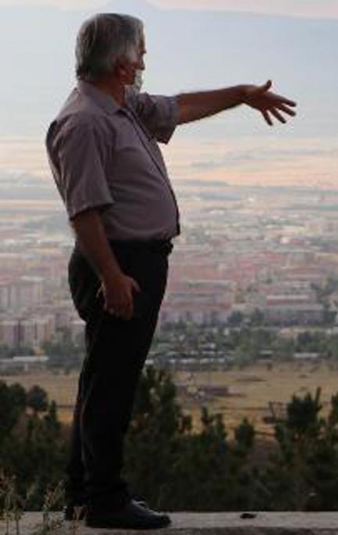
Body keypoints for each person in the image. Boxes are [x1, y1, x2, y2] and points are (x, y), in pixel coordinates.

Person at [46, 13, 296, 530]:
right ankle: (105, 500)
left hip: (130, 262)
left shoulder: (122, 106)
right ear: (120, 63)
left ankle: (81, 494)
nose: (144, 61)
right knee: (112, 383)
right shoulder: (85, 121)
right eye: (140, 52)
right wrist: (112, 278)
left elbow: (180, 107)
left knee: (102, 379)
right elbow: (84, 212)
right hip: (118, 264)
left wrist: (242, 94)